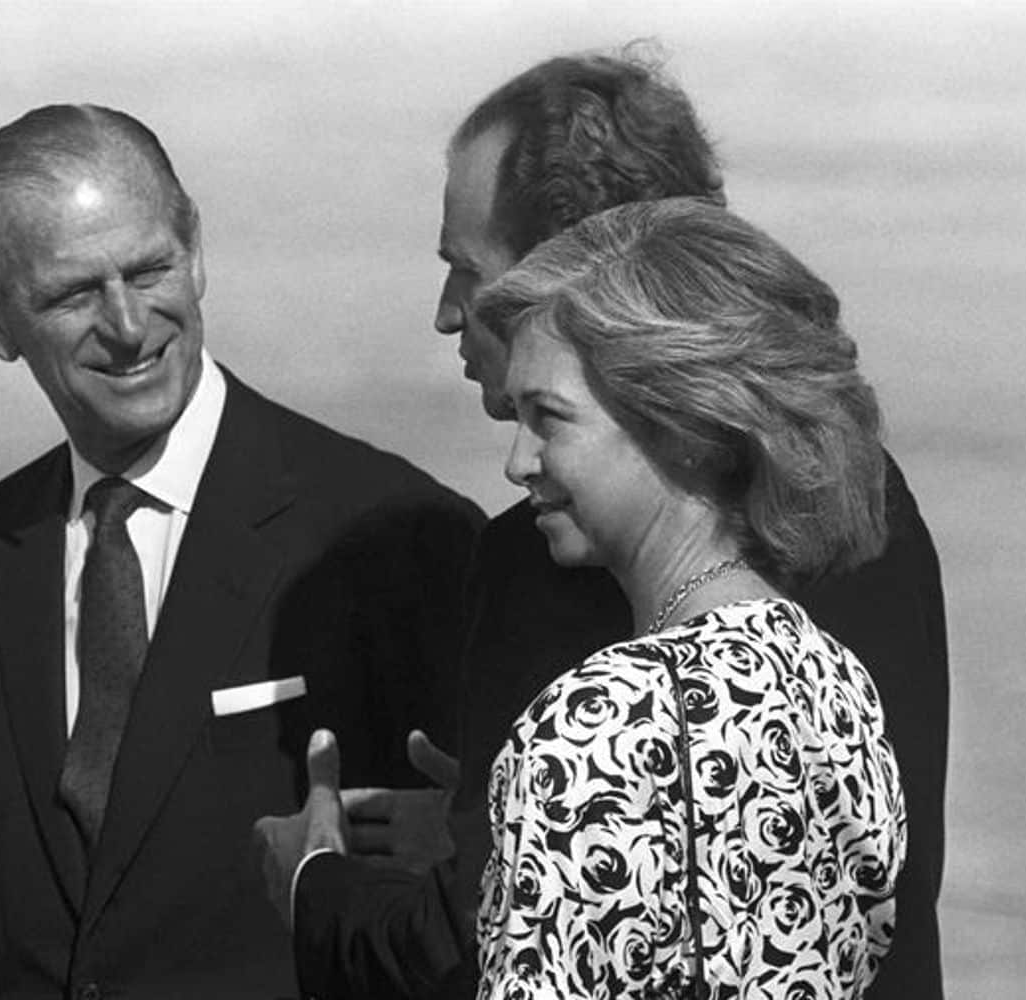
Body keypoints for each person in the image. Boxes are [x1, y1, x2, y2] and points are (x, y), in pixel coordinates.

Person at [265, 48, 948, 999]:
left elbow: (460, 955)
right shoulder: (849, 556)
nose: (447, 313)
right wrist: (503, 830)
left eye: (469, 270)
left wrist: (313, 881)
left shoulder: (576, 675)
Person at [0, 104, 483, 998]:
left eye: (150, 270)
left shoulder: (392, 532)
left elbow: (473, 906)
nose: (129, 325)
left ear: (197, 250)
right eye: (73, 294)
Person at [477, 196, 906, 996]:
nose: (518, 461)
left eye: (550, 419)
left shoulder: (590, 727)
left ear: (678, 425)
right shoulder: (837, 685)